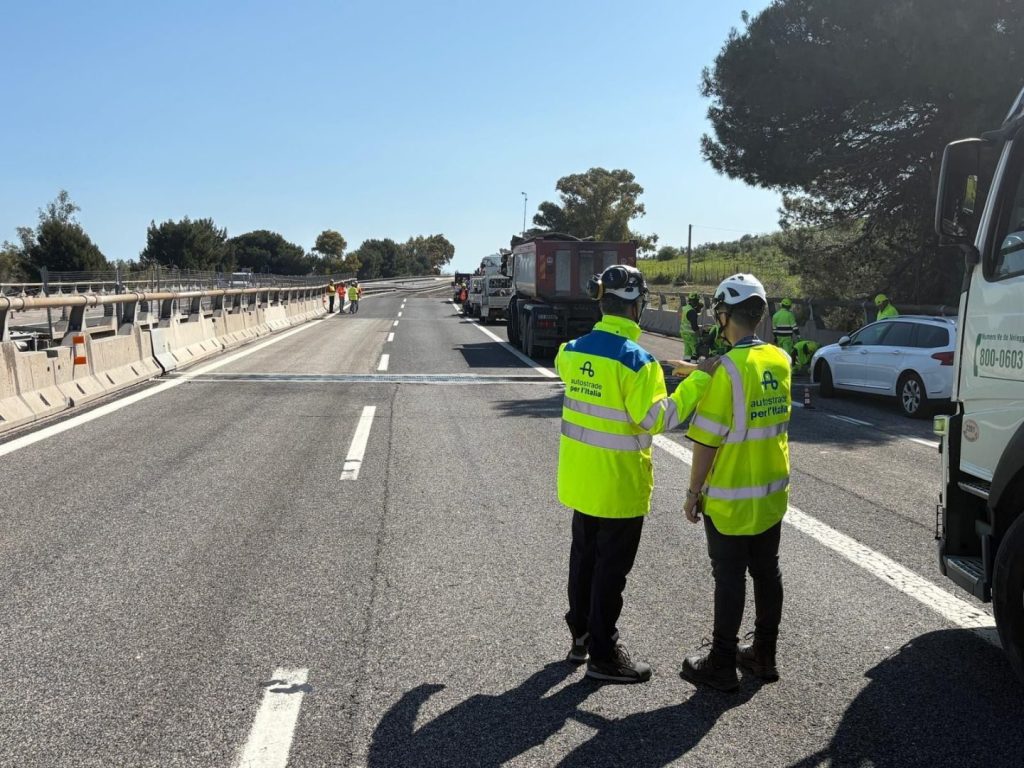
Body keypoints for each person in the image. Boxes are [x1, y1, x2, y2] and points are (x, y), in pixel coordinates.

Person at [556, 264, 719, 684]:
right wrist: (697, 382)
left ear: (601, 301)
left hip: (580, 480)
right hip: (620, 485)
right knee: (611, 570)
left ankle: (581, 638)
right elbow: (656, 419)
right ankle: (604, 656)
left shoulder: (570, 350)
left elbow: (582, 378)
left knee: (583, 561)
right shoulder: (639, 363)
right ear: (637, 305)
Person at [680, 273, 791, 692]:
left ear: (724, 316)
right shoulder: (780, 359)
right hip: (771, 493)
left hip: (729, 498)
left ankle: (722, 662)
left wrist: (693, 493)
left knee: (729, 576)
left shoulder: (727, 369)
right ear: (761, 314)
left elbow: (707, 441)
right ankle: (764, 654)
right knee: (767, 571)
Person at [680, 293, 702, 361]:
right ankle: (693, 366)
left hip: (684, 333)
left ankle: (685, 365)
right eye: (696, 301)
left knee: (687, 352)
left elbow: (686, 321)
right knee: (696, 352)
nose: (697, 302)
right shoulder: (692, 312)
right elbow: (694, 327)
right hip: (691, 335)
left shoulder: (685, 308)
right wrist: (699, 337)